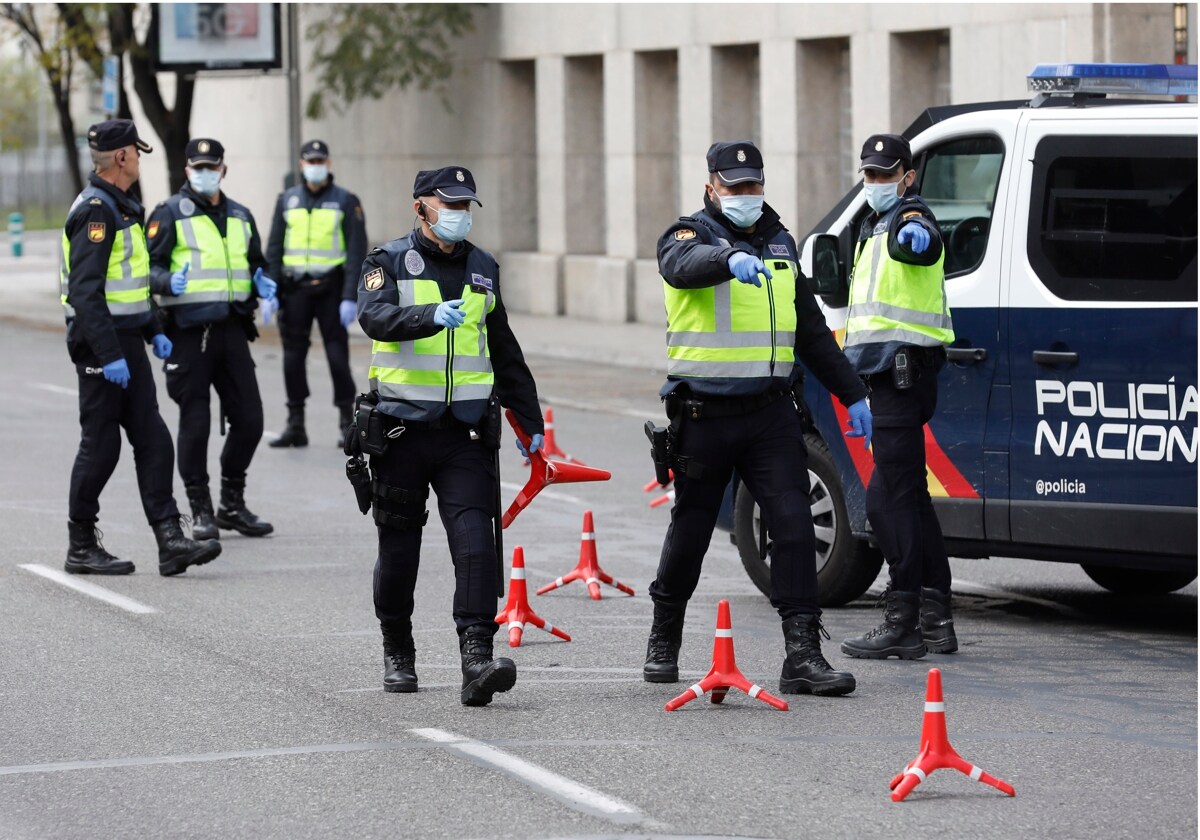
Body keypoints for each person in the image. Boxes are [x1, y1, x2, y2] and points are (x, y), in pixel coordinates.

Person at [645, 141, 873, 697]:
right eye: (734, 186)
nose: (746, 195)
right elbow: (681, 268)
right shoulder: (687, 235)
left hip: (771, 413)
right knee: (692, 529)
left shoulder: (779, 243)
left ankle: (802, 654)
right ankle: (664, 635)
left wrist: (854, 393)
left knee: (793, 527)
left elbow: (812, 333)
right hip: (705, 415)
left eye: (753, 185)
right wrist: (727, 259)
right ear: (711, 188)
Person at [355, 165, 544, 706]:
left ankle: (476, 660)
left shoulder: (484, 268)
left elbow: (505, 352)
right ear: (421, 207)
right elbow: (375, 318)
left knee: (476, 546)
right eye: (449, 204)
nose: (459, 214)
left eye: (466, 205)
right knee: (399, 553)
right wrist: (430, 315)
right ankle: (398, 649)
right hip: (401, 431)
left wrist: (529, 424)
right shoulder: (385, 261)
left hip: (464, 435)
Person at [60, 119, 222, 577]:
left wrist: (153, 329)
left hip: (126, 339)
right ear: (124, 157)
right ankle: (80, 544)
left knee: (153, 439)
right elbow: (86, 293)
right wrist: (108, 354)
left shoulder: (122, 206)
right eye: (137, 152)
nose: (139, 160)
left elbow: (129, 283)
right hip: (101, 345)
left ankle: (170, 540)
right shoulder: (97, 211)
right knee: (102, 445)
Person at [840, 133, 957, 660]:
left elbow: (926, 238)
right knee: (907, 496)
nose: (876, 182)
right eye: (868, 174)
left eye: (886, 174)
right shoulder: (871, 225)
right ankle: (936, 619)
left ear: (907, 177)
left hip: (903, 376)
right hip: (887, 378)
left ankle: (903, 616)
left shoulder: (910, 218)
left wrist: (918, 238)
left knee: (887, 500)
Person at [147, 138, 276, 542]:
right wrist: (167, 280)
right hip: (188, 333)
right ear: (186, 171)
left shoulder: (240, 215)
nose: (205, 173)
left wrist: (262, 281)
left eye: (212, 167)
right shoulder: (168, 214)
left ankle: (232, 504)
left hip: (233, 329)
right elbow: (146, 267)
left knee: (251, 420)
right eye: (197, 167)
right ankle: (201, 509)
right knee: (196, 422)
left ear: (223, 170)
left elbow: (256, 262)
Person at [265, 139, 366, 448]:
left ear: (329, 163)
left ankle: (345, 423)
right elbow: (274, 247)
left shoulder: (346, 201)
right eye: (310, 161)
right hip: (295, 289)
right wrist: (270, 288)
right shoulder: (287, 200)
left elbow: (356, 251)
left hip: (331, 290)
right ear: (301, 164)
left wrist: (351, 295)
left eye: (320, 161)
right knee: (293, 358)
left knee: (337, 356)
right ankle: (296, 423)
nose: (315, 166)